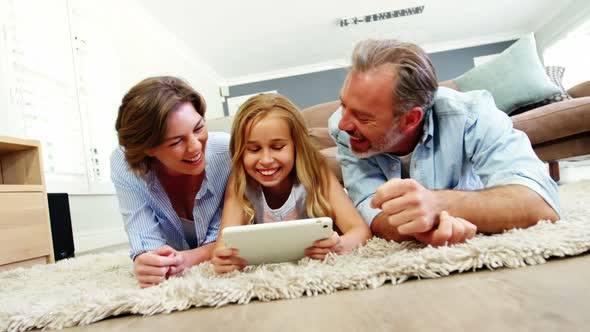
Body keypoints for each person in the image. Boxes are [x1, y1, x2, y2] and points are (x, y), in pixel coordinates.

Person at [328, 39, 560, 246]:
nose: (343, 124)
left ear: (410, 119)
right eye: (343, 105)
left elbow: (539, 203)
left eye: (363, 117)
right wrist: (420, 225)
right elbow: (371, 212)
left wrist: (438, 204)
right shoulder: (343, 130)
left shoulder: (473, 114)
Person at [211, 93, 372, 274]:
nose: (266, 159)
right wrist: (224, 260)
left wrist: (340, 245)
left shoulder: (316, 173)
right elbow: (222, 247)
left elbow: (360, 231)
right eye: (254, 149)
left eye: (277, 147)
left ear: (297, 145)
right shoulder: (240, 183)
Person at [111, 76, 231, 287]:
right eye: (176, 141)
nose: (195, 147)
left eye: (199, 128)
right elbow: (144, 239)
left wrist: (189, 259)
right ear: (148, 148)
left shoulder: (228, 152)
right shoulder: (124, 164)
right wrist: (148, 260)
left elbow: (238, 231)